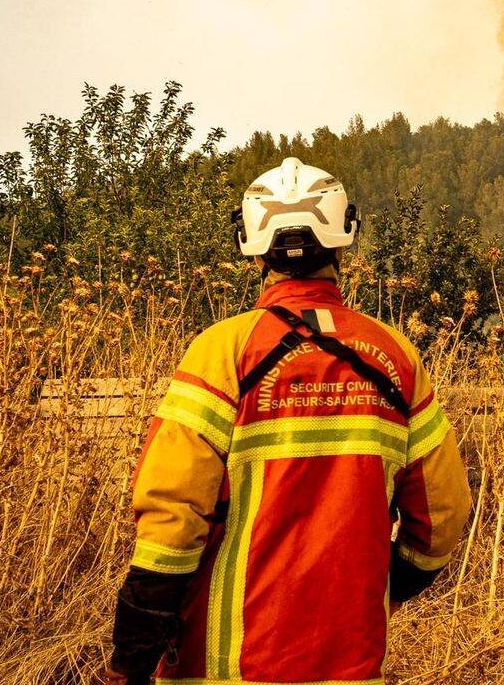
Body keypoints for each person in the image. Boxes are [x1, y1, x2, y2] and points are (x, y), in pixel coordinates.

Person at [104, 157, 472, 685]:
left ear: (250, 243)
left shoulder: (221, 352)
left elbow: (171, 520)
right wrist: (372, 589)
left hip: (224, 666)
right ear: (345, 236)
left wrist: (130, 658)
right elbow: (442, 518)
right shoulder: (397, 357)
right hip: (352, 664)